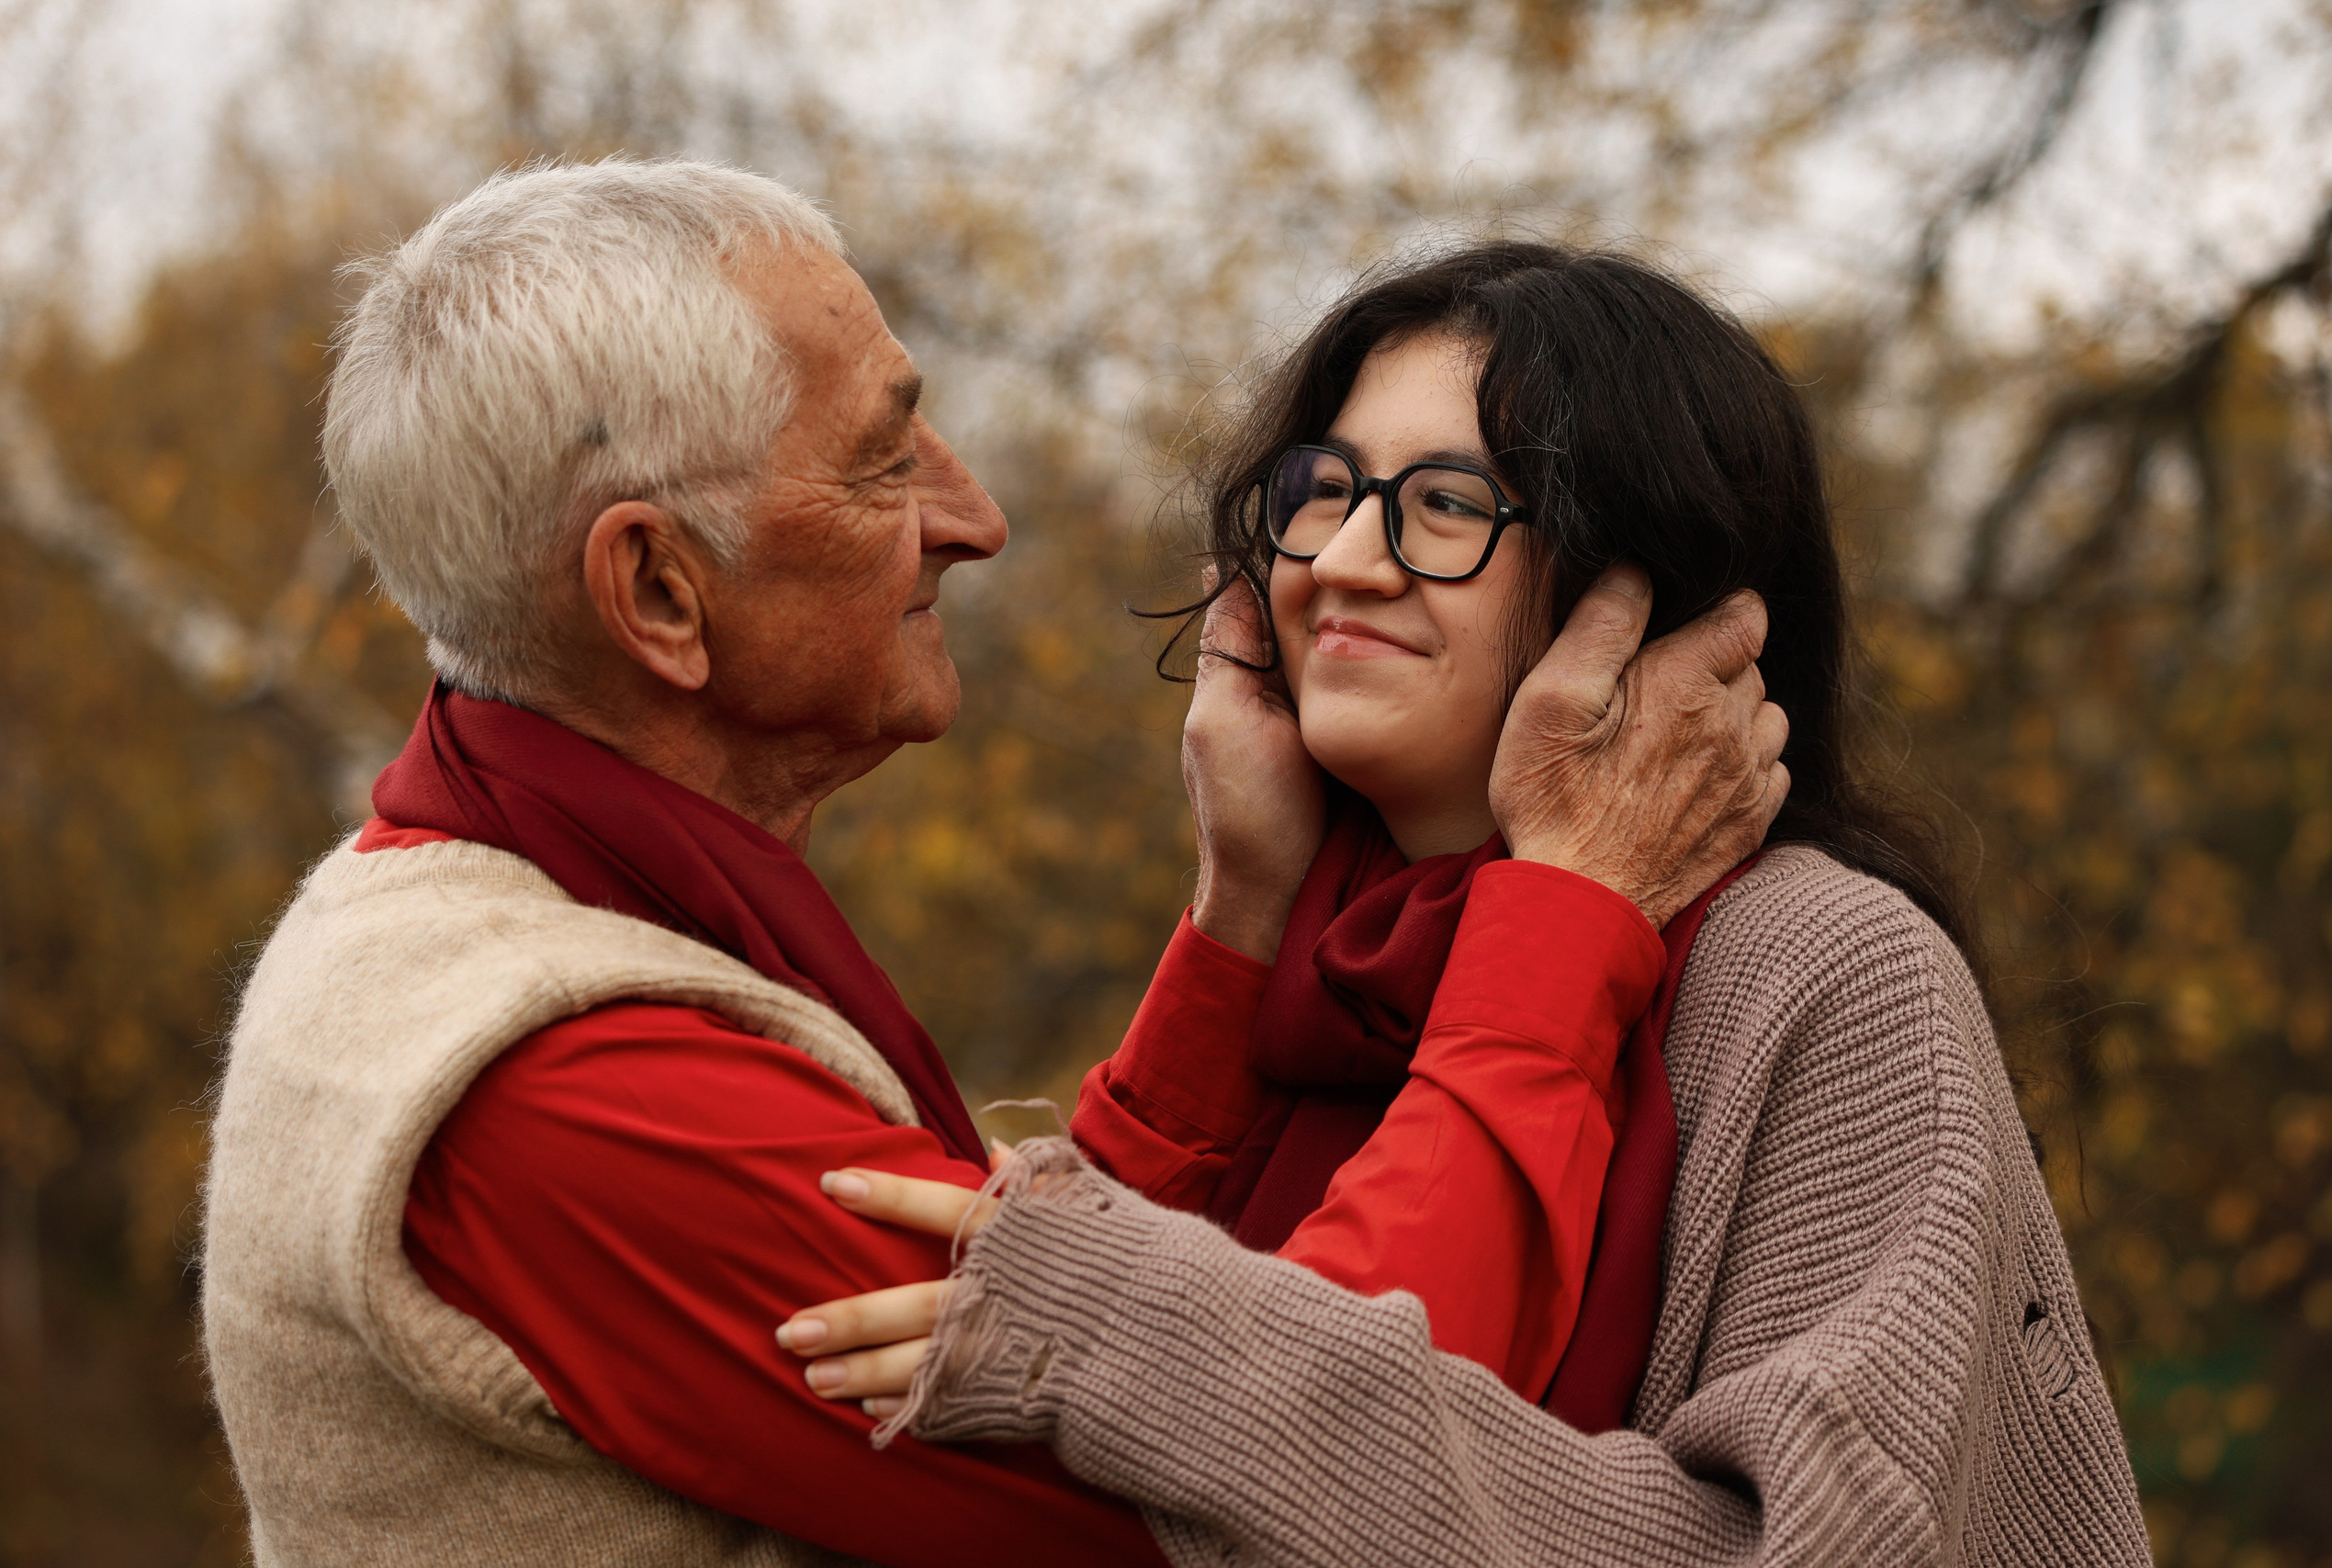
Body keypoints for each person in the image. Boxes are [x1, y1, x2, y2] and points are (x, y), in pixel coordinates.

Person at [198, 165, 1784, 1567]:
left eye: (1445, 506)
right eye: (883, 463)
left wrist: (1240, 924)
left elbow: (1116, 1328)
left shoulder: (480, 911)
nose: (977, 516)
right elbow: (1297, 1482)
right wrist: (1568, 916)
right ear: (661, 594)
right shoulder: (582, 1105)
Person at [779, 243, 2152, 1565]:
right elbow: (1035, 1458)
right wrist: (1235, 914)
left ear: (1640, 594)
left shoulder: (1828, 970)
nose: (1344, 561)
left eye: (1446, 505)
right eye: (1325, 488)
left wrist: (1151, 1348)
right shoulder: (1328, 952)